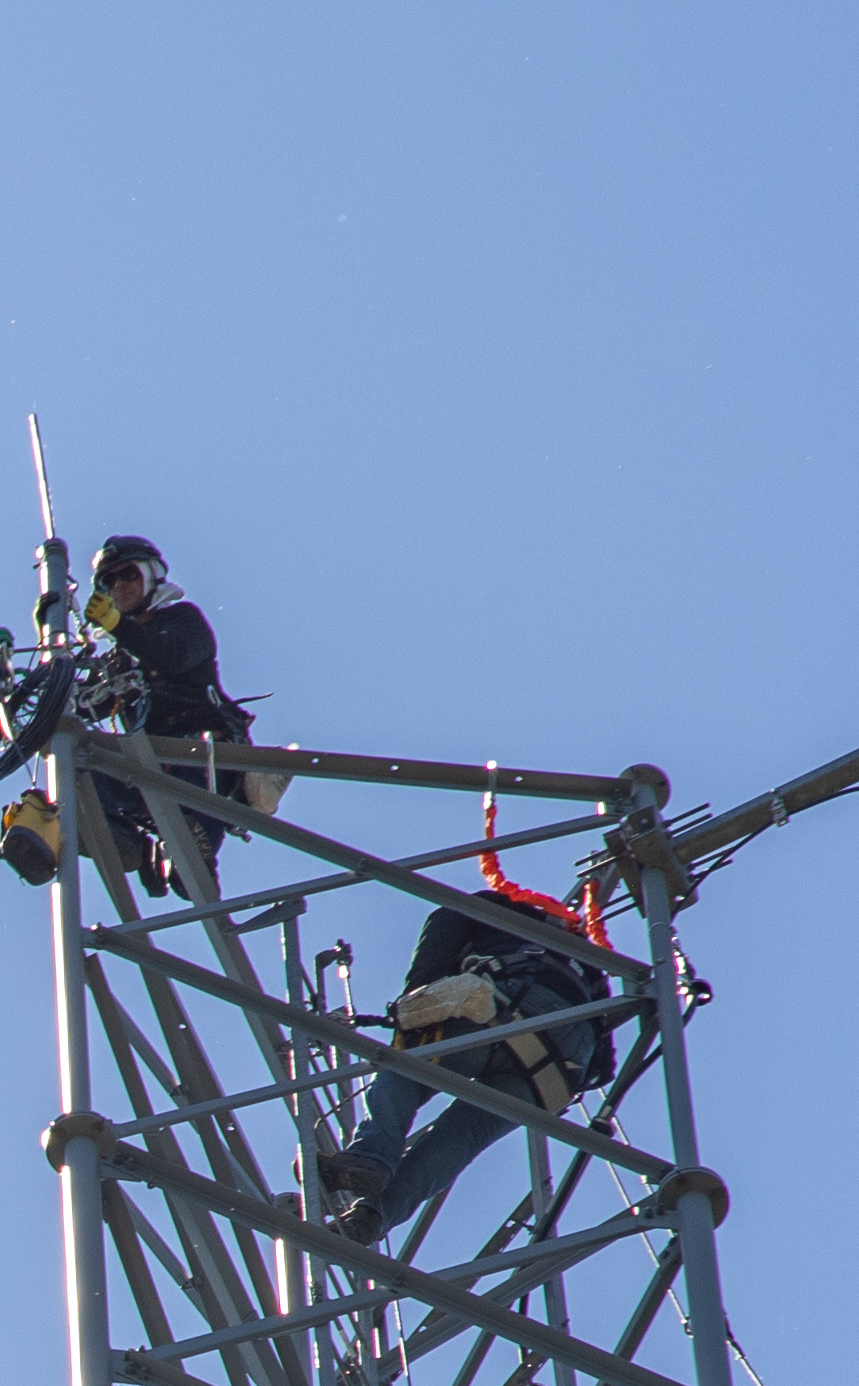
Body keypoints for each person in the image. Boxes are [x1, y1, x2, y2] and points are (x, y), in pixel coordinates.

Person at [313, 866, 641, 1252]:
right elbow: (603, 1068)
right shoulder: (591, 969)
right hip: (558, 1071)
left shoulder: (497, 910)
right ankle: (371, 1218)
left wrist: (417, 1000)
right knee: (463, 1136)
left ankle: (368, 1160)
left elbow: (445, 922)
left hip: (508, 1005)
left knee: (404, 1066)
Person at [81, 536, 257, 894]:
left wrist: (118, 625)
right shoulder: (117, 659)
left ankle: (194, 854)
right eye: (108, 582)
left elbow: (170, 656)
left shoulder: (181, 619)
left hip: (200, 751)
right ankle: (121, 837)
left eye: (127, 575)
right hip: (148, 763)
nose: (118, 586)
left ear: (150, 576)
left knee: (189, 839)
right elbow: (79, 705)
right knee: (83, 761)